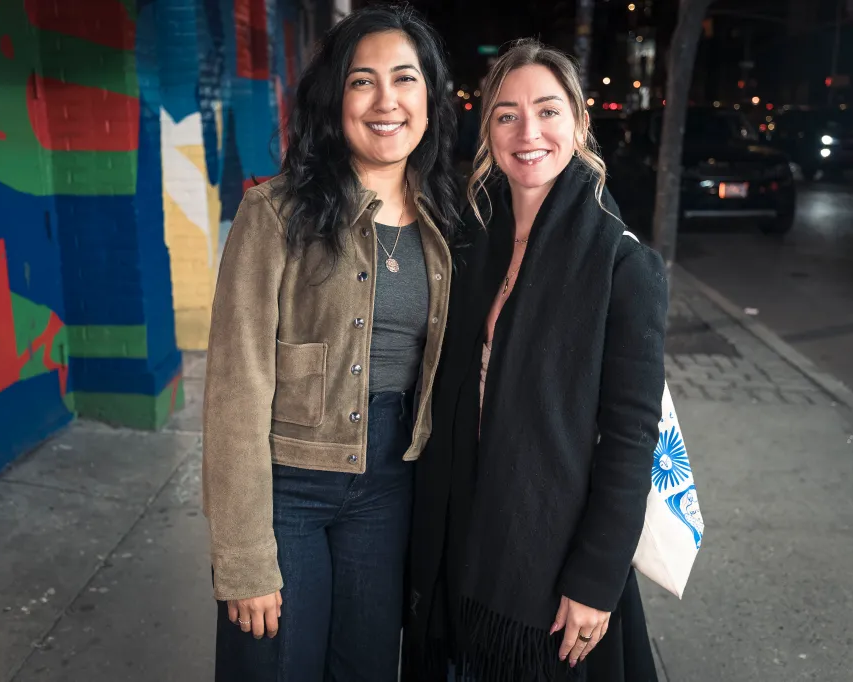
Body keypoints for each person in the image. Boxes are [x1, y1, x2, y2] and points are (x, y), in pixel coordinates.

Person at [202, 5, 459, 681]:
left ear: (429, 96)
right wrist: (242, 556)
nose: (385, 101)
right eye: (361, 81)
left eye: (405, 79)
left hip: (390, 484)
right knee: (273, 663)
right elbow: (236, 391)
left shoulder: (449, 219)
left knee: (367, 667)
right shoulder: (275, 214)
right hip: (288, 485)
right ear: (334, 98)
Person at [403, 39, 667, 682]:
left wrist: (597, 580)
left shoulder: (623, 264)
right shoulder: (469, 242)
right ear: (487, 129)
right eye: (507, 115)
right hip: (459, 544)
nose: (529, 132)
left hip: (548, 571)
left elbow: (632, 438)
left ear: (578, 122)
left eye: (548, 111)